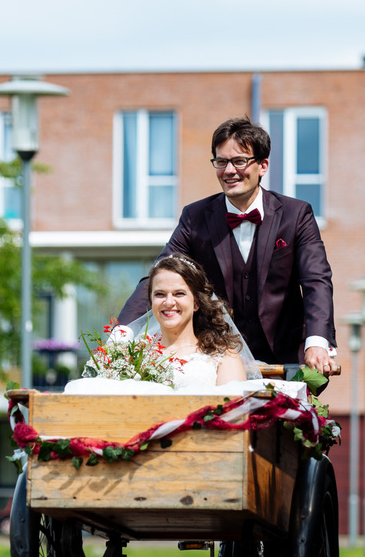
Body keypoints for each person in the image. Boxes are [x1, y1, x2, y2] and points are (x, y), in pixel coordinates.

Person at [119, 116, 337, 375]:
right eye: (221, 162)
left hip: (288, 355)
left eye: (240, 161)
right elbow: (158, 275)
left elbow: (316, 281)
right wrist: (121, 335)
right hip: (219, 357)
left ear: (263, 165)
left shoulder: (296, 214)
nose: (229, 170)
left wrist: (317, 343)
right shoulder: (195, 217)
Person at [145, 254, 248, 389]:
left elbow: (234, 407)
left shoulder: (223, 357)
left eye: (179, 293)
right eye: (160, 294)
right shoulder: (135, 354)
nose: (169, 302)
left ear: (196, 303)